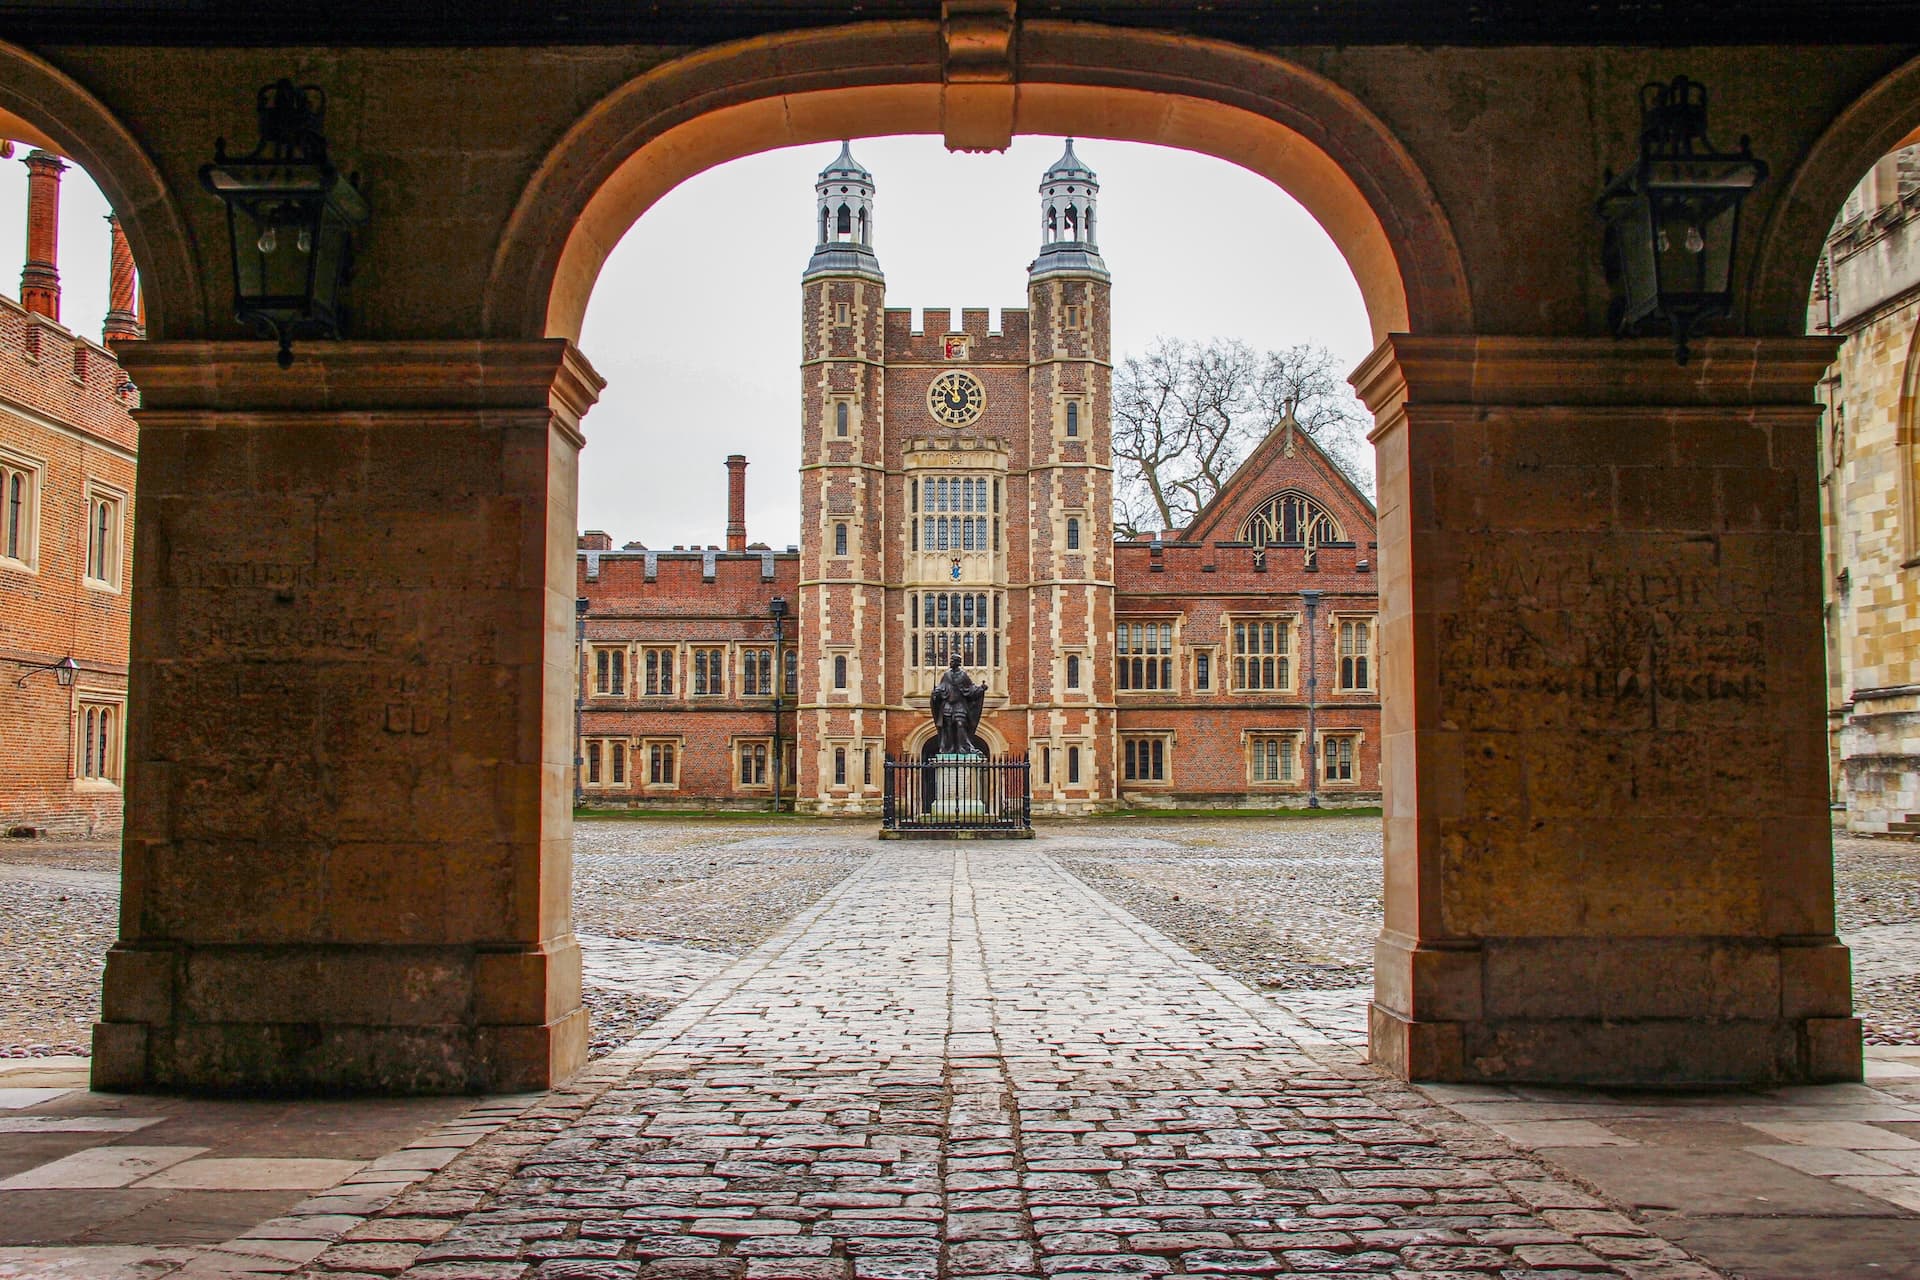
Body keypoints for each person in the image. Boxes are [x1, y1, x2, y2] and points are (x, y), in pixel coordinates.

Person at [931, 655, 987, 756]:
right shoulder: (946, 675)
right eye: (950, 660)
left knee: (960, 724)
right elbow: (942, 687)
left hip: (959, 704)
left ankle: (964, 748)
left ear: (957, 662)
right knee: (948, 726)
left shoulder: (963, 675)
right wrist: (936, 693)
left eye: (952, 661)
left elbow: (970, 689)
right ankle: (949, 748)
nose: (950, 662)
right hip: (948, 705)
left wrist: (981, 689)